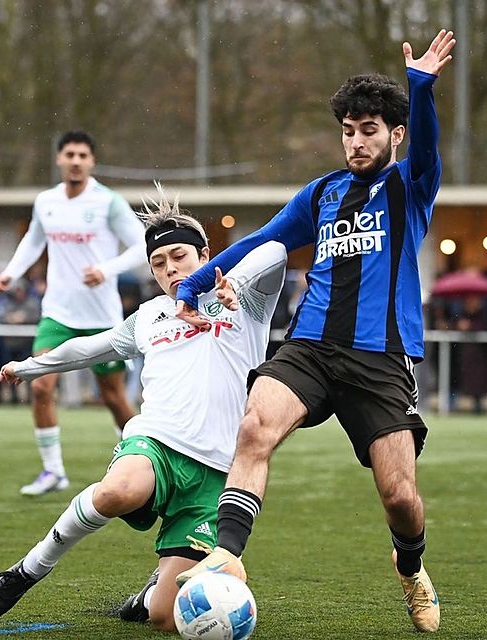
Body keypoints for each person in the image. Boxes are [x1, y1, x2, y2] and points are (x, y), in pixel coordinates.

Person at [171, 30, 455, 634]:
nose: (356, 141)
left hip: (381, 358)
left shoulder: (411, 185)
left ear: (395, 135)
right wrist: (194, 283)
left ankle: (410, 566)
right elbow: (263, 239)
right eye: (349, 131)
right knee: (255, 426)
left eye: (370, 130)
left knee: (400, 497)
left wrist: (422, 89)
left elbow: (429, 145)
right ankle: (227, 552)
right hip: (310, 348)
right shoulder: (322, 193)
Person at [0, 189, 287, 631]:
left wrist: (233, 282)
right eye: (158, 263)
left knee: (165, 618)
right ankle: (27, 570)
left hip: (218, 473)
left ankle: (150, 595)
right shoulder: (150, 316)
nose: (169, 269)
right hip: (156, 442)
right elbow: (90, 348)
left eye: (179, 256)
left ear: (204, 255)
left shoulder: (245, 302)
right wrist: (30, 367)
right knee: (118, 491)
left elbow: (276, 249)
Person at [0, 130, 147, 496]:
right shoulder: (46, 201)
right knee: (40, 384)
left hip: (101, 318)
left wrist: (107, 270)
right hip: (57, 314)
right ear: (59, 159)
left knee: (113, 397)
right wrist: (10, 273)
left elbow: (143, 244)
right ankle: (53, 472)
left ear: (92, 161)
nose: (76, 161)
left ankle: (145, 461)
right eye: (70, 154)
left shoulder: (108, 202)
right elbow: (33, 241)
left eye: (82, 155)